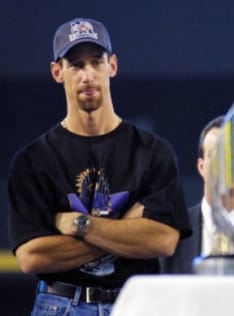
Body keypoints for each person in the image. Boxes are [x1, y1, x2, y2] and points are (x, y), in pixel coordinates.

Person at [7, 17, 191, 315]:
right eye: (76, 65)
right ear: (57, 72)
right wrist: (127, 231)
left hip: (136, 303)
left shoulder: (153, 151)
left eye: (96, 62)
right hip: (61, 304)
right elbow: (32, 256)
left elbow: (163, 240)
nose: (88, 75)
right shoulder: (32, 161)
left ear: (113, 66)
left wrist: (80, 225)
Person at [162, 116, 234, 273]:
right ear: (201, 167)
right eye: (215, 153)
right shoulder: (173, 231)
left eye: (232, 153)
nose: (224, 162)